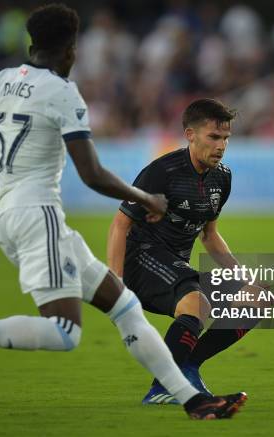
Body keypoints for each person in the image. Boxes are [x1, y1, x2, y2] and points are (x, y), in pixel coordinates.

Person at [0, 4, 246, 420]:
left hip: (16, 214)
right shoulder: (62, 92)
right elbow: (92, 174)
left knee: (125, 307)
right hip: (38, 216)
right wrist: (146, 199)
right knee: (64, 332)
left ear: (32, 44)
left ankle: (192, 401)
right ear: (71, 50)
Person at [108, 98, 257, 404]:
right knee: (196, 302)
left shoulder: (222, 178)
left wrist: (242, 277)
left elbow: (210, 236)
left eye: (226, 138)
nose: (221, 146)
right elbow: (120, 224)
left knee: (257, 298)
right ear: (191, 135)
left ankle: (186, 365)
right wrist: (115, 284)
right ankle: (164, 385)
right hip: (140, 260)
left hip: (177, 269)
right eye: (213, 137)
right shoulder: (163, 172)